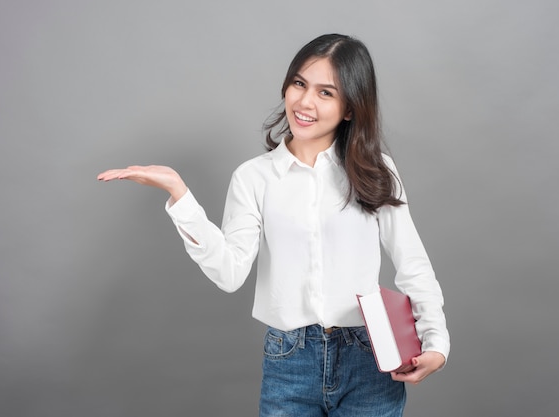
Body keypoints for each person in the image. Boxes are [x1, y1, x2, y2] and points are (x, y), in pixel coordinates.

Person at [98, 33, 449, 417]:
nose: (305, 101)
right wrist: (180, 196)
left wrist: (436, 342)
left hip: (369, 357)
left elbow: (412, 263)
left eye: (326, 93)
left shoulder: (375, 169)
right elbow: (229, 273)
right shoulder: (253, 178)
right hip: (290, 361)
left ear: (350, 108)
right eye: (299, 83)